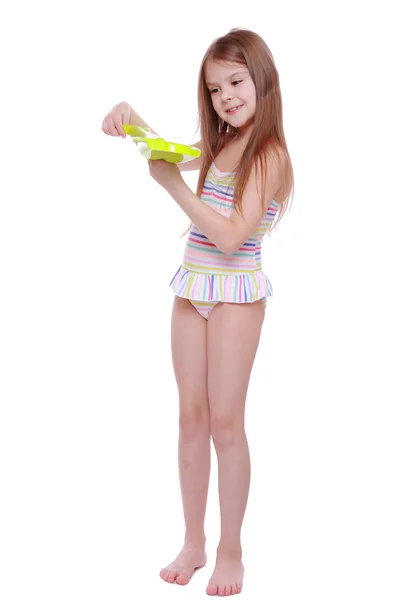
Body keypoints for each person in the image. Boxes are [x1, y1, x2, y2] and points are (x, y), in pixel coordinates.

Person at [102, 27, 294, 597]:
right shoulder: (222, 142)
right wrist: (134, 120)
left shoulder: (271, 155)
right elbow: (174, 155)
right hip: (192, 288)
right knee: (190, 416)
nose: (225, 97)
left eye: (235, 82)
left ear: (263, 81)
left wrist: (171, 190)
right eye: (214, 89)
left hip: (236, 292)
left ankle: (232, 548)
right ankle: (194, 540)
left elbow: (234, 237)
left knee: (225, 423)